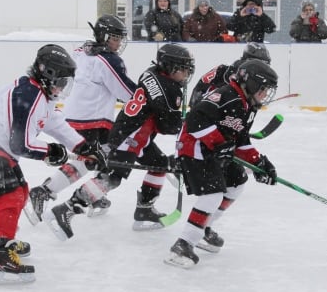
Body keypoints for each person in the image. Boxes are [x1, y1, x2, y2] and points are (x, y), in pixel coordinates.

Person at [0, 45, 106, 284]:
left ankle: (2, 242)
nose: (63, 88)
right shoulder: (28, 94)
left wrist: (83, 147)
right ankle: (1, 257)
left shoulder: (42, 94)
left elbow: (55, 124)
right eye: (62, 81)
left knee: (20, 191)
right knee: (11, 193)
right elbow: (21, 144)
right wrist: (51, 151)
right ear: (48, 73)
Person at [46, 44, 195, 240]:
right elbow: (170, 127)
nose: (186, 73)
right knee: (112, 178)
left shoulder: (151, 72)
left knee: (159, 164)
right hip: (131, 137)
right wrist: (181, 120)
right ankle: (66, 209)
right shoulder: (170, 90)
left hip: (133, 131)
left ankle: (144, 211)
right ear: (170, 67)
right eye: (183, 69)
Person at [164, 59, 279, 268]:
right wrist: (219, 143)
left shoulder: (249, 106)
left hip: (213, 150)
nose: (265, 95)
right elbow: (195, 121)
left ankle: (203, 227)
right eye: (263, 89)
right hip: (194, 147)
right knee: (213, 194)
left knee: (237, 183)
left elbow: (241, 139)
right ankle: (183, 245)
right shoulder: (225, 95)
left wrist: (260, 163)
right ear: (251, 84)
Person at [23, 15, 135, 225]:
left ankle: (92, 197)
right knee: (103, 161)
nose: (119, 43)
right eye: (115, 38)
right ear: (104, 36)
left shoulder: (79, 51)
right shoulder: (109, 60)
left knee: (93, 159)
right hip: (94, 121)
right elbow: (128, 93)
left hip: (70, 119)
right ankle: (46, 191)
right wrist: (150, 98)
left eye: (120, 38)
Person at [189, 42, 272, 108]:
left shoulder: (240, 68)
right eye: (260, 64)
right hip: (202, 100)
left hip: (206, 100)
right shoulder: (237, 69)